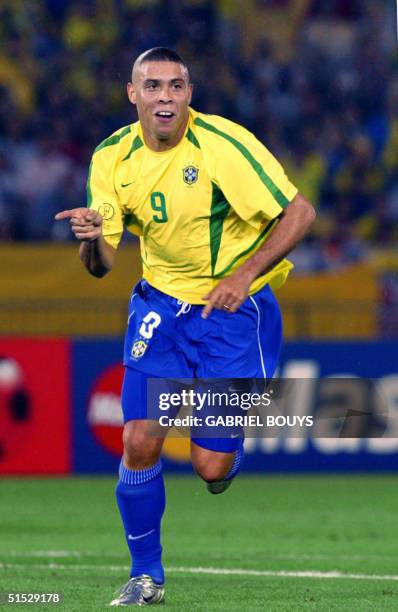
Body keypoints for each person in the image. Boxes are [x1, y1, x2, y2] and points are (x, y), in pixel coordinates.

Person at [55, 47, 315, 607]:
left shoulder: (224, 145)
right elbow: (102, 264)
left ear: (189, 94)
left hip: (232, 310)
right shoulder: (112, 158)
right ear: (133, 95)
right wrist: (92, 238)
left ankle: (224, 451)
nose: (165, 97)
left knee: (210, 466)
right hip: (161, 309)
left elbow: (300, 213)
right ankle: (146, 575)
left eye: (176, 86)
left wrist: (243, 276)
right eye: (153, 86)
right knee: (139, 438)